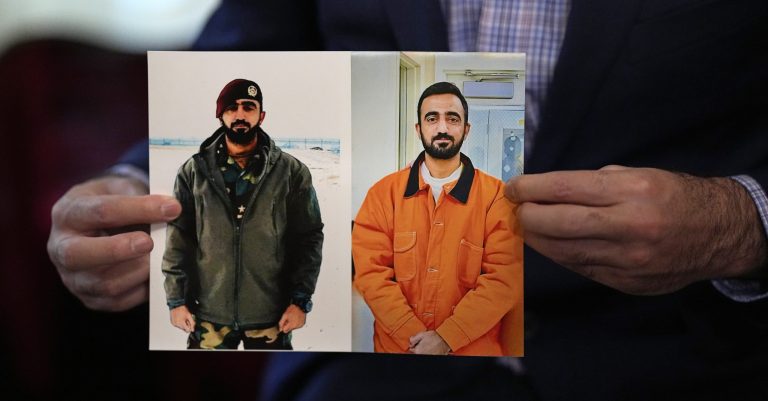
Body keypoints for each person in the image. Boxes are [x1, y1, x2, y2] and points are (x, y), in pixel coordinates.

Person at [47, 1, 768, 400]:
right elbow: (251, 42)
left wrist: (741, 225)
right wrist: (141, 183)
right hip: (366, 374)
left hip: (690, 364)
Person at [353, 82, 522, 356]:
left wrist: (447, 338)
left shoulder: (497, 198)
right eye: (432, 118)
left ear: (466, 130)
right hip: (399, 351)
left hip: (472, 355)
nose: (442, 128)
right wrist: (416, 338)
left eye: (452, 119)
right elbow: (371, 275)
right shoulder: (383, 194)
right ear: (418, 129)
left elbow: (503, 279)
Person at [162, 78, 323, 349]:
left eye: (248, 107)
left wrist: (300, 301)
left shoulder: (291, 173)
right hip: (209, 317)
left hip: (271, 318)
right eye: (232, 107)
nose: (240, 114)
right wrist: (177, 301)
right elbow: (179, 239)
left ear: (261, 115)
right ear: (220, 114)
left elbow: (308, 239)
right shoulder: (194, 172)